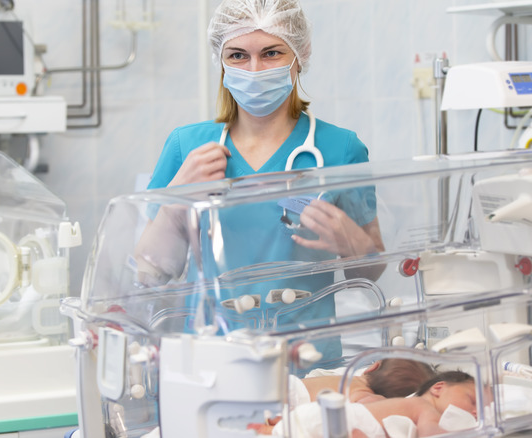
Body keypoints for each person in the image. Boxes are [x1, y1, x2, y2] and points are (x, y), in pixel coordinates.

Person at [135, 0, 385, 363]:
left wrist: (350, 241)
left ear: (301, 54)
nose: (254, 70)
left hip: (306, 361)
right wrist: (177, 201)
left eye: (271, 53)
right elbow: (150, 275)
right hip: (210, 357)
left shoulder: (340, 148)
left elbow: (372, 269)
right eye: (237, 55)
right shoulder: (187, 147)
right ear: (220, 61)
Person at [254, 370, 478, 437]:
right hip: (335, 423)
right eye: (473, 400)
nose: (476, 411)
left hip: (311, 413)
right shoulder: (425, 408)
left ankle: (265, 426)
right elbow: (431, 432)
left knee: (288, 427)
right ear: (438, 388)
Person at [300, 358, 437, 404]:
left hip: (293, 385)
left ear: (373, 367)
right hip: (295, 397)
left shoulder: (349, 378)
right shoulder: (361, 392)